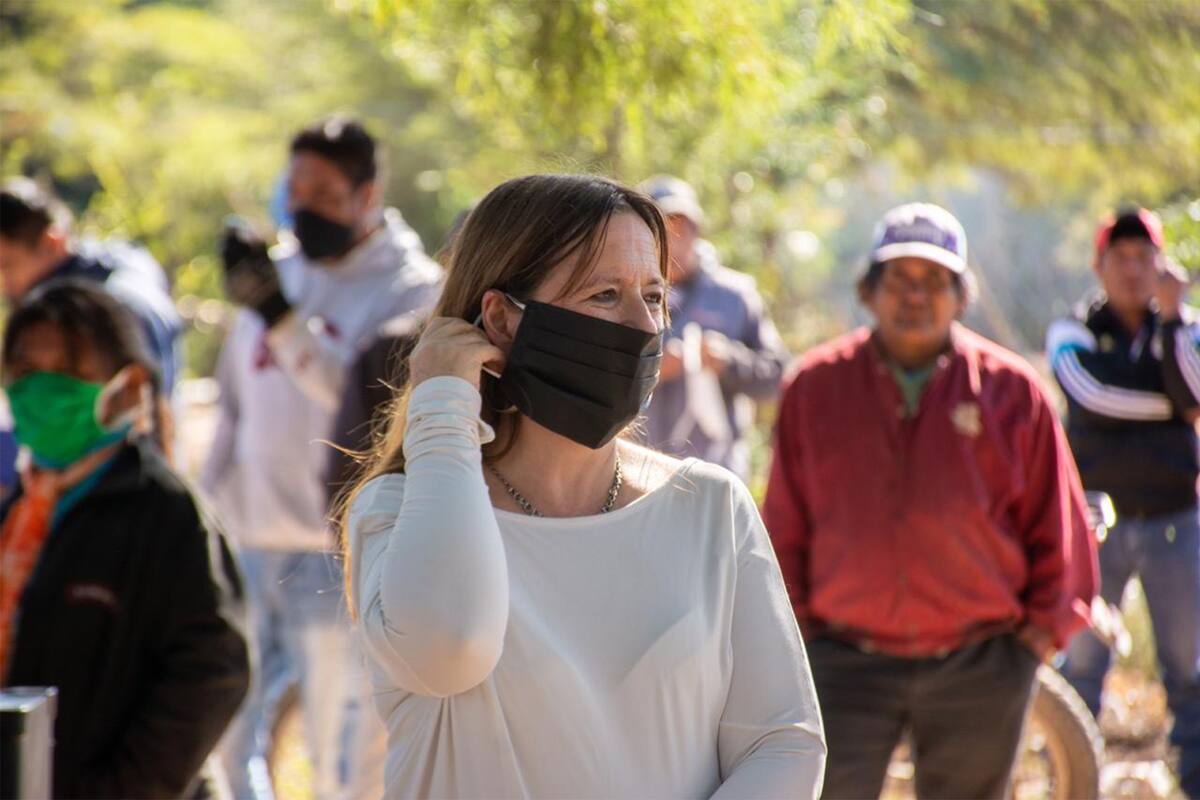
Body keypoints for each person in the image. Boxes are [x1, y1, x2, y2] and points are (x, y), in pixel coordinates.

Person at [340, 173, 826, 798]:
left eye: (654, 296)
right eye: (604, 295)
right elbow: (447, 646)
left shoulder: (710, 507)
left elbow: (781, 743)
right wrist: (441, 405)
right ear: (502, 320)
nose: (644, 326)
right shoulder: (400, 512)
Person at [764, 202, 1097, 799]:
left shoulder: (1013, 392)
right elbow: (783, 527)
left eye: (934, 281)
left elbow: (1059, 526)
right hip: (840, 664)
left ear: (960, 295)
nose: (915, 296)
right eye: (899, 279)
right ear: (870, 291)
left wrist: (1035, 641)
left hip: (981, 663)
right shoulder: (814, 389)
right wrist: (799, 639)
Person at [203, 115, 442, 800]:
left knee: (341, 758)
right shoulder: (276, 274)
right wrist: (211, 511)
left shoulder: (409, 287)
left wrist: (283, 321)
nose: (303, 206)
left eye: (324, 192)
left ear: (367, 196)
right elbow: (232, 403)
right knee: (229, 740)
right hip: (248, 541)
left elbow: (369, 405)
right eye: (295, 188)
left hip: (333, 552)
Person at [0, 281, 249, 798]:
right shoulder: (16, 512)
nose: (40, 390)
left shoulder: (166, 512)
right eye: (25, 373)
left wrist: (121, 790)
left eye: (65, 374)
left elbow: (212, 672)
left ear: (128, 388)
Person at [1048, 207, 1200, 796]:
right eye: (1122, 257)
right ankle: (1071, 782)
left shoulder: (1184, 330)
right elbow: (1088, 394)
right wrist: (1171, 403)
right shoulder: (1072, 329)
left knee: (1189, 673)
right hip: (1093, 524)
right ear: (1099, 264)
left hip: (1175, 523)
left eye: (1146, 258)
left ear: (1162, 265)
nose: (1134, 270)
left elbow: (1193, 392)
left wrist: (1169, 327)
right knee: (1081, 668)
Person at [0, 177, 182, 498]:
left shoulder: (112, 308)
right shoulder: (116, 267)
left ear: (52, 243)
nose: (4, 285)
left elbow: (147, 422)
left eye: (6, 266)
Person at [637, 175, 789, 480]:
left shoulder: (735, 295)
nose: (674, 237)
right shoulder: (622, 295)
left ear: (697, 231)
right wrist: (650, 372)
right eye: (663, 228)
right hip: (638, 476)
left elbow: (779, 377)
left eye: (683, 226)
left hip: (717, 476)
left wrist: (729, 361)